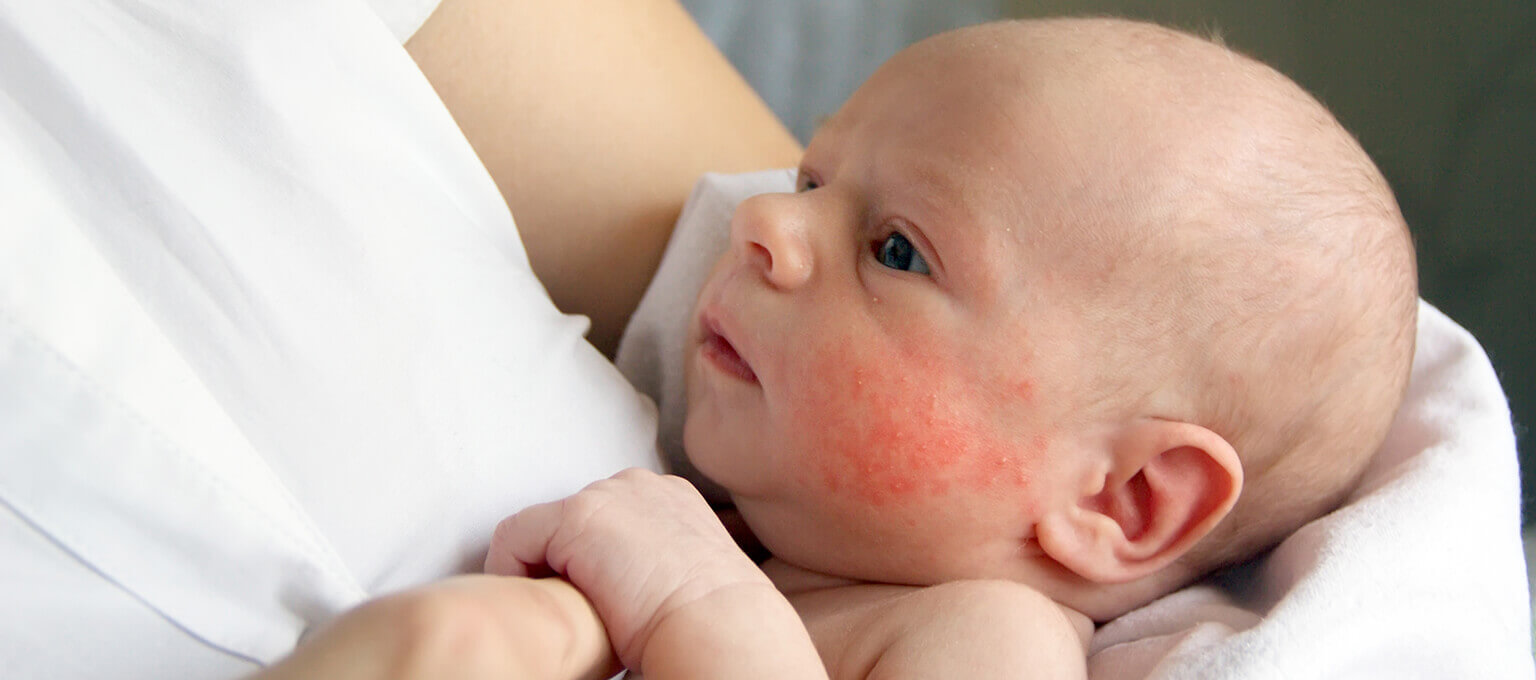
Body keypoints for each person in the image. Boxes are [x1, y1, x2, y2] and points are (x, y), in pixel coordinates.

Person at [470, 16, 1418, 678]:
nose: (762, 219)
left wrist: (698, 614)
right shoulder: (770, 534)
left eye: (895, 250)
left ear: (1119, 498)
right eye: (810, 178)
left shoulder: (986, 638)